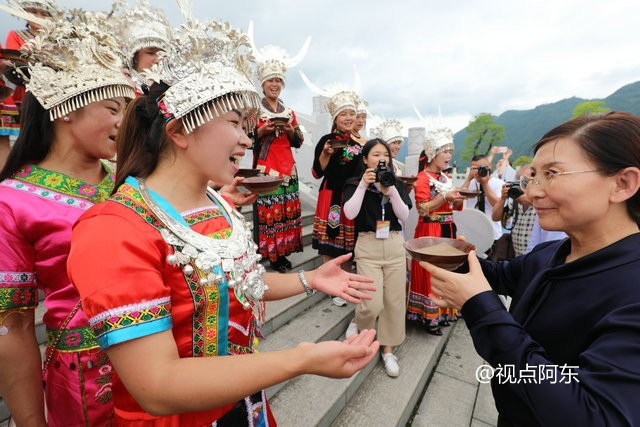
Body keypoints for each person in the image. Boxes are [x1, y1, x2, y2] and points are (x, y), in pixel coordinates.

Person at [68, 14, 379, 425]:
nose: (247, 139)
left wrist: (309, 280)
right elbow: (157, 385)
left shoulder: (218, 204)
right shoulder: (114, 230)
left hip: (245, 405)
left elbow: (240, 280)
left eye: (247, 125)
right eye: (234, 123)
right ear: (179, 131)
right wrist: (301, 358)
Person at [423, 112, 640, 426]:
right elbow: (499, 275)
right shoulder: (551, 252)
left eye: (552, 174)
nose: (534, 192)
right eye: (533, 176)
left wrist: (480, 307)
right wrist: (451, 255)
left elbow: (593, 415)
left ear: (623, 183)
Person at [0, 7, 135, 426]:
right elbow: (15, 326)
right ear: (66, 108)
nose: (123, 121)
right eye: (114, 108)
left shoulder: (132, 181)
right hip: (86, 387)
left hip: (167, 361)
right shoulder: (11, 201)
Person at [342, 139, 411, 377]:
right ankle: (362, 330)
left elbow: (404, 215)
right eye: (375, 154)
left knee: (393, 302)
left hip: (393, 244)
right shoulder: (353, 183)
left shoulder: (396, 183)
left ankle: (388, 350)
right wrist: (363, 185)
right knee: (370, 303)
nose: (381, 159)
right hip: (368, 245)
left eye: (385, 155)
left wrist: (390, 191)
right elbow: (349, 214)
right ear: (365, 159)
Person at [301, 72, 364, 306]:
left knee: (348, 243)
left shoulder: (360, 144)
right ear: (335, 118)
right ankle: (332, 285)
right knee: (329, 240)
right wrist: (325, 154)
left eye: (351, 113)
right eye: (343, 114)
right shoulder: (327, 140)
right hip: (329, 195)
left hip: (350, 198)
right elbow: (317, 172)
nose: (348, 118)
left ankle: (345, 282)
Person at [249, 31, 309, 273]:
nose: (275, 85)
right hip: (266, 167)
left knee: (286, 212)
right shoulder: (255, 108)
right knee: (269, 213)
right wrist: (263, 131)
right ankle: (270, 254)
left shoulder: (289, 110)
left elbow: (297, 142)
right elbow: (247, 137)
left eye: (278, 81)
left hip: (288, 166)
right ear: (262, 84)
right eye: (270, 81)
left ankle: (283, 252)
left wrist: (291, 129)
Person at [407, 126, 464, 335]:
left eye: (450, 151)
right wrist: (444, 197)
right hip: (430, 229)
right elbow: (422, 208)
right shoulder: (423, 178)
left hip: (447, 227)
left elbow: (454, 207)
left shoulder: (445, 179)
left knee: (446, 272)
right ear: (432, 154)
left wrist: (456, 200)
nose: (449, 155)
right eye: (445, 151)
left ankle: (443, 312)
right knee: (429, 273)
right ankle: (428, 316)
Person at [110, 0, 171, 93]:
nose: (158, 60)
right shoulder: (124, 89)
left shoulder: (173, 90)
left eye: (162, 54)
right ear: (135, 56)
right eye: (150, 53)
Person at [491, 164, 536, 258]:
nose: (521, 186)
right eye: (518, 182)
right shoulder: (516, 201)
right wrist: (502, 198)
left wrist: (532, 201)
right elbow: (495, 217)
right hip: (517, 256)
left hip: (536, 257)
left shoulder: (543, 202)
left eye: (525, 182)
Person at [461, 154, 505, 245]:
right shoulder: (470, 183)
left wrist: (484, 184)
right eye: (474, 168)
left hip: (492, 232)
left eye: (481, 167)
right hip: (471, 232)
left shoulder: (499, 183)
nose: (478, 171)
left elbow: (498, 205)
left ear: (489, 166)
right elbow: (459, 197)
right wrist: (469, 178)